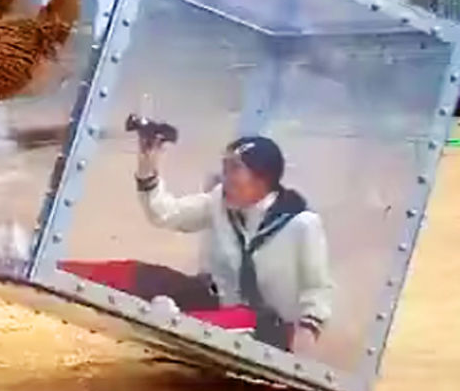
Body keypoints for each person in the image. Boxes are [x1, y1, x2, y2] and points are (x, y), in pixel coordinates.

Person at [134, 132, 333, 355]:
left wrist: (308, 329)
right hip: (222, 307)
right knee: (147, 278)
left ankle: (176, 322)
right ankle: (174, 320)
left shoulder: (301, 224)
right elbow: (166, 213)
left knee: (237, 319)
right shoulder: (220, 203)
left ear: (262, 178)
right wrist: (147, 165)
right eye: (225, 168)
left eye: (235, 169)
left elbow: (317, 288)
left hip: (271, 328)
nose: (225, 178)